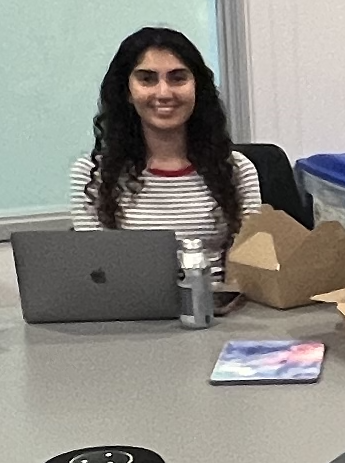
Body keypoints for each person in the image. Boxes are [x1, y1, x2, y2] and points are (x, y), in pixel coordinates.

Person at [69, 25, 266, 276]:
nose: (163, 93)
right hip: (132, 309)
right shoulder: (92, 174)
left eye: (178, 78)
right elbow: (96, 270)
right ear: (127, 92)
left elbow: (254, 268)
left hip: (221, 307)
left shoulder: (237, 169)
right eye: (147, 79)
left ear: (197, 88)